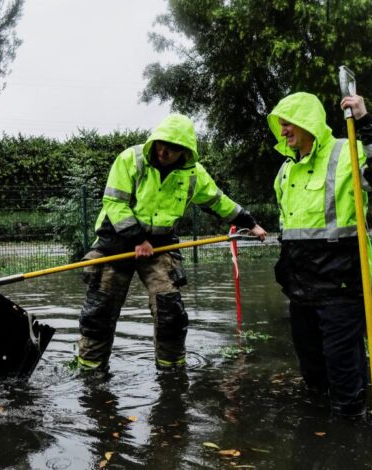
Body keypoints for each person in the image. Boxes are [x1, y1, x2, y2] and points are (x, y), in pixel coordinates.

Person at [76, 113, 267, 371]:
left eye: (173, 148)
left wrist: (250, 223)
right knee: (100, 309)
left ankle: (172, 372)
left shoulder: (193, 174)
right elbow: (114, 203)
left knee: (171, 311)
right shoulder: (130, 159)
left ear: (185, 151)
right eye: (161, 144)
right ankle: (90, 372)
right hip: (116, 242)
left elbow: (218, 201)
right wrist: (138, 239)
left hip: (160, 245)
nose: (164, 152)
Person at [267, 92, 372, 418]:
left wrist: (366, 121)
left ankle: (349, 424)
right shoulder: (285, 171)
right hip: (301, 283)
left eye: (288, 124)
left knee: (342, 362)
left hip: (342, 280)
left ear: (307, 122)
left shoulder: (347, 151)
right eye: (281, 126)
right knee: (311, 364)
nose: (283, 132)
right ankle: (318, 428)